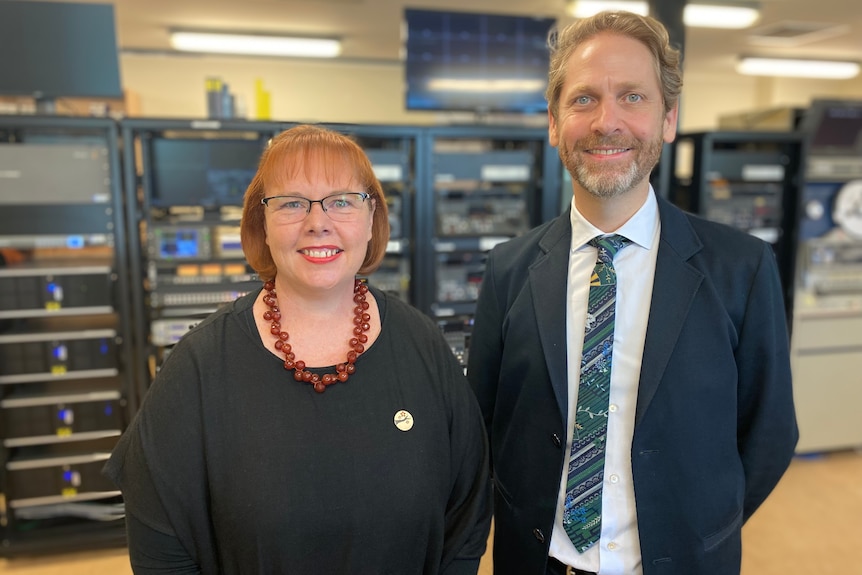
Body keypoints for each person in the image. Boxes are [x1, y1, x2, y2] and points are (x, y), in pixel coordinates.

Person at [466, 11, 797, 575]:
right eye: (584, 99)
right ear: (553, 122)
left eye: (633, 98)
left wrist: (699, 526)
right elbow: (484, 424)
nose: (607, 121)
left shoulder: (741, 268)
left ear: (668, 119)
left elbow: (768, 432)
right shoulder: (509, 268)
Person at [104, 124, 492, 574]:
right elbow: (160, 548)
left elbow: (466, 520)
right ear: (261, 226)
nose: (318, 222)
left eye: (342, 201)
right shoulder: (200, 364)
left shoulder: (423, 346)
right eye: (291, 203)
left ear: (372, 221)